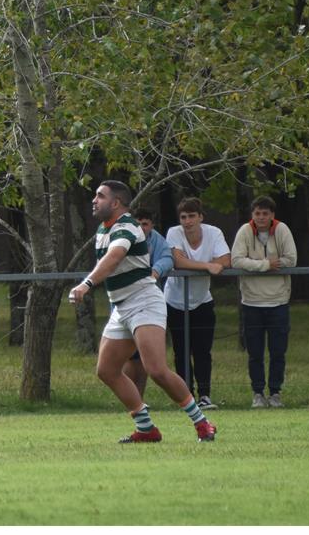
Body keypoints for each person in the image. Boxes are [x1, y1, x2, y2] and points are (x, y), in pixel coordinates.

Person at [68, 181, 216, 444]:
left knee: (156, 369)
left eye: (100, 196)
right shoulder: (103, 229)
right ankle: (146, 428)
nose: (94, 200)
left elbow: (114, 257)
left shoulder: (127, 225)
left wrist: (86, 283)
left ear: (116, 203)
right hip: (122, 306)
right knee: (107, 370)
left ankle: (202, 423)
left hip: (144, 300)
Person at [163, 197, 229, 410]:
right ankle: (186, 397)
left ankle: (205, 396)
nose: (188, 221)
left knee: (202, 351)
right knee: (181, 351)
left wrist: (211, 265)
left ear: (200, 217)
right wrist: (208, 266)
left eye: (192, 216)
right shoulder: (174, 232)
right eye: (184, 217)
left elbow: (226, 260)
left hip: (203, 300)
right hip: (175, 301)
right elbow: (178, 261)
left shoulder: (214, 232)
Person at [231, 196, 297, 408]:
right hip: (252, 302)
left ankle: (275, 393)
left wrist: (255, 264)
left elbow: (291, 259)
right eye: (257, 213)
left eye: (265, 213)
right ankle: (258, 393)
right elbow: (236, 260)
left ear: (272, 215)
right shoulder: (244, 231)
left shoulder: (282, 230)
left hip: (278, 301)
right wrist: (266, 265)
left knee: (278, 352)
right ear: (252, 215)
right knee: (255, 353)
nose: (261, 217)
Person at [121, 208, 174, 397]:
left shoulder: (156, 239)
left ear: (151, 225)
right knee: (127, 355)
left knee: (147, 360)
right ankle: (128, 399)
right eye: (138, 223)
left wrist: (156, 270)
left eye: (145, 224)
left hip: (148, 303)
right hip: (125, 302)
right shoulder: (123, 238)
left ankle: (139, 399)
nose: (142, 228)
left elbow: (168, 258)